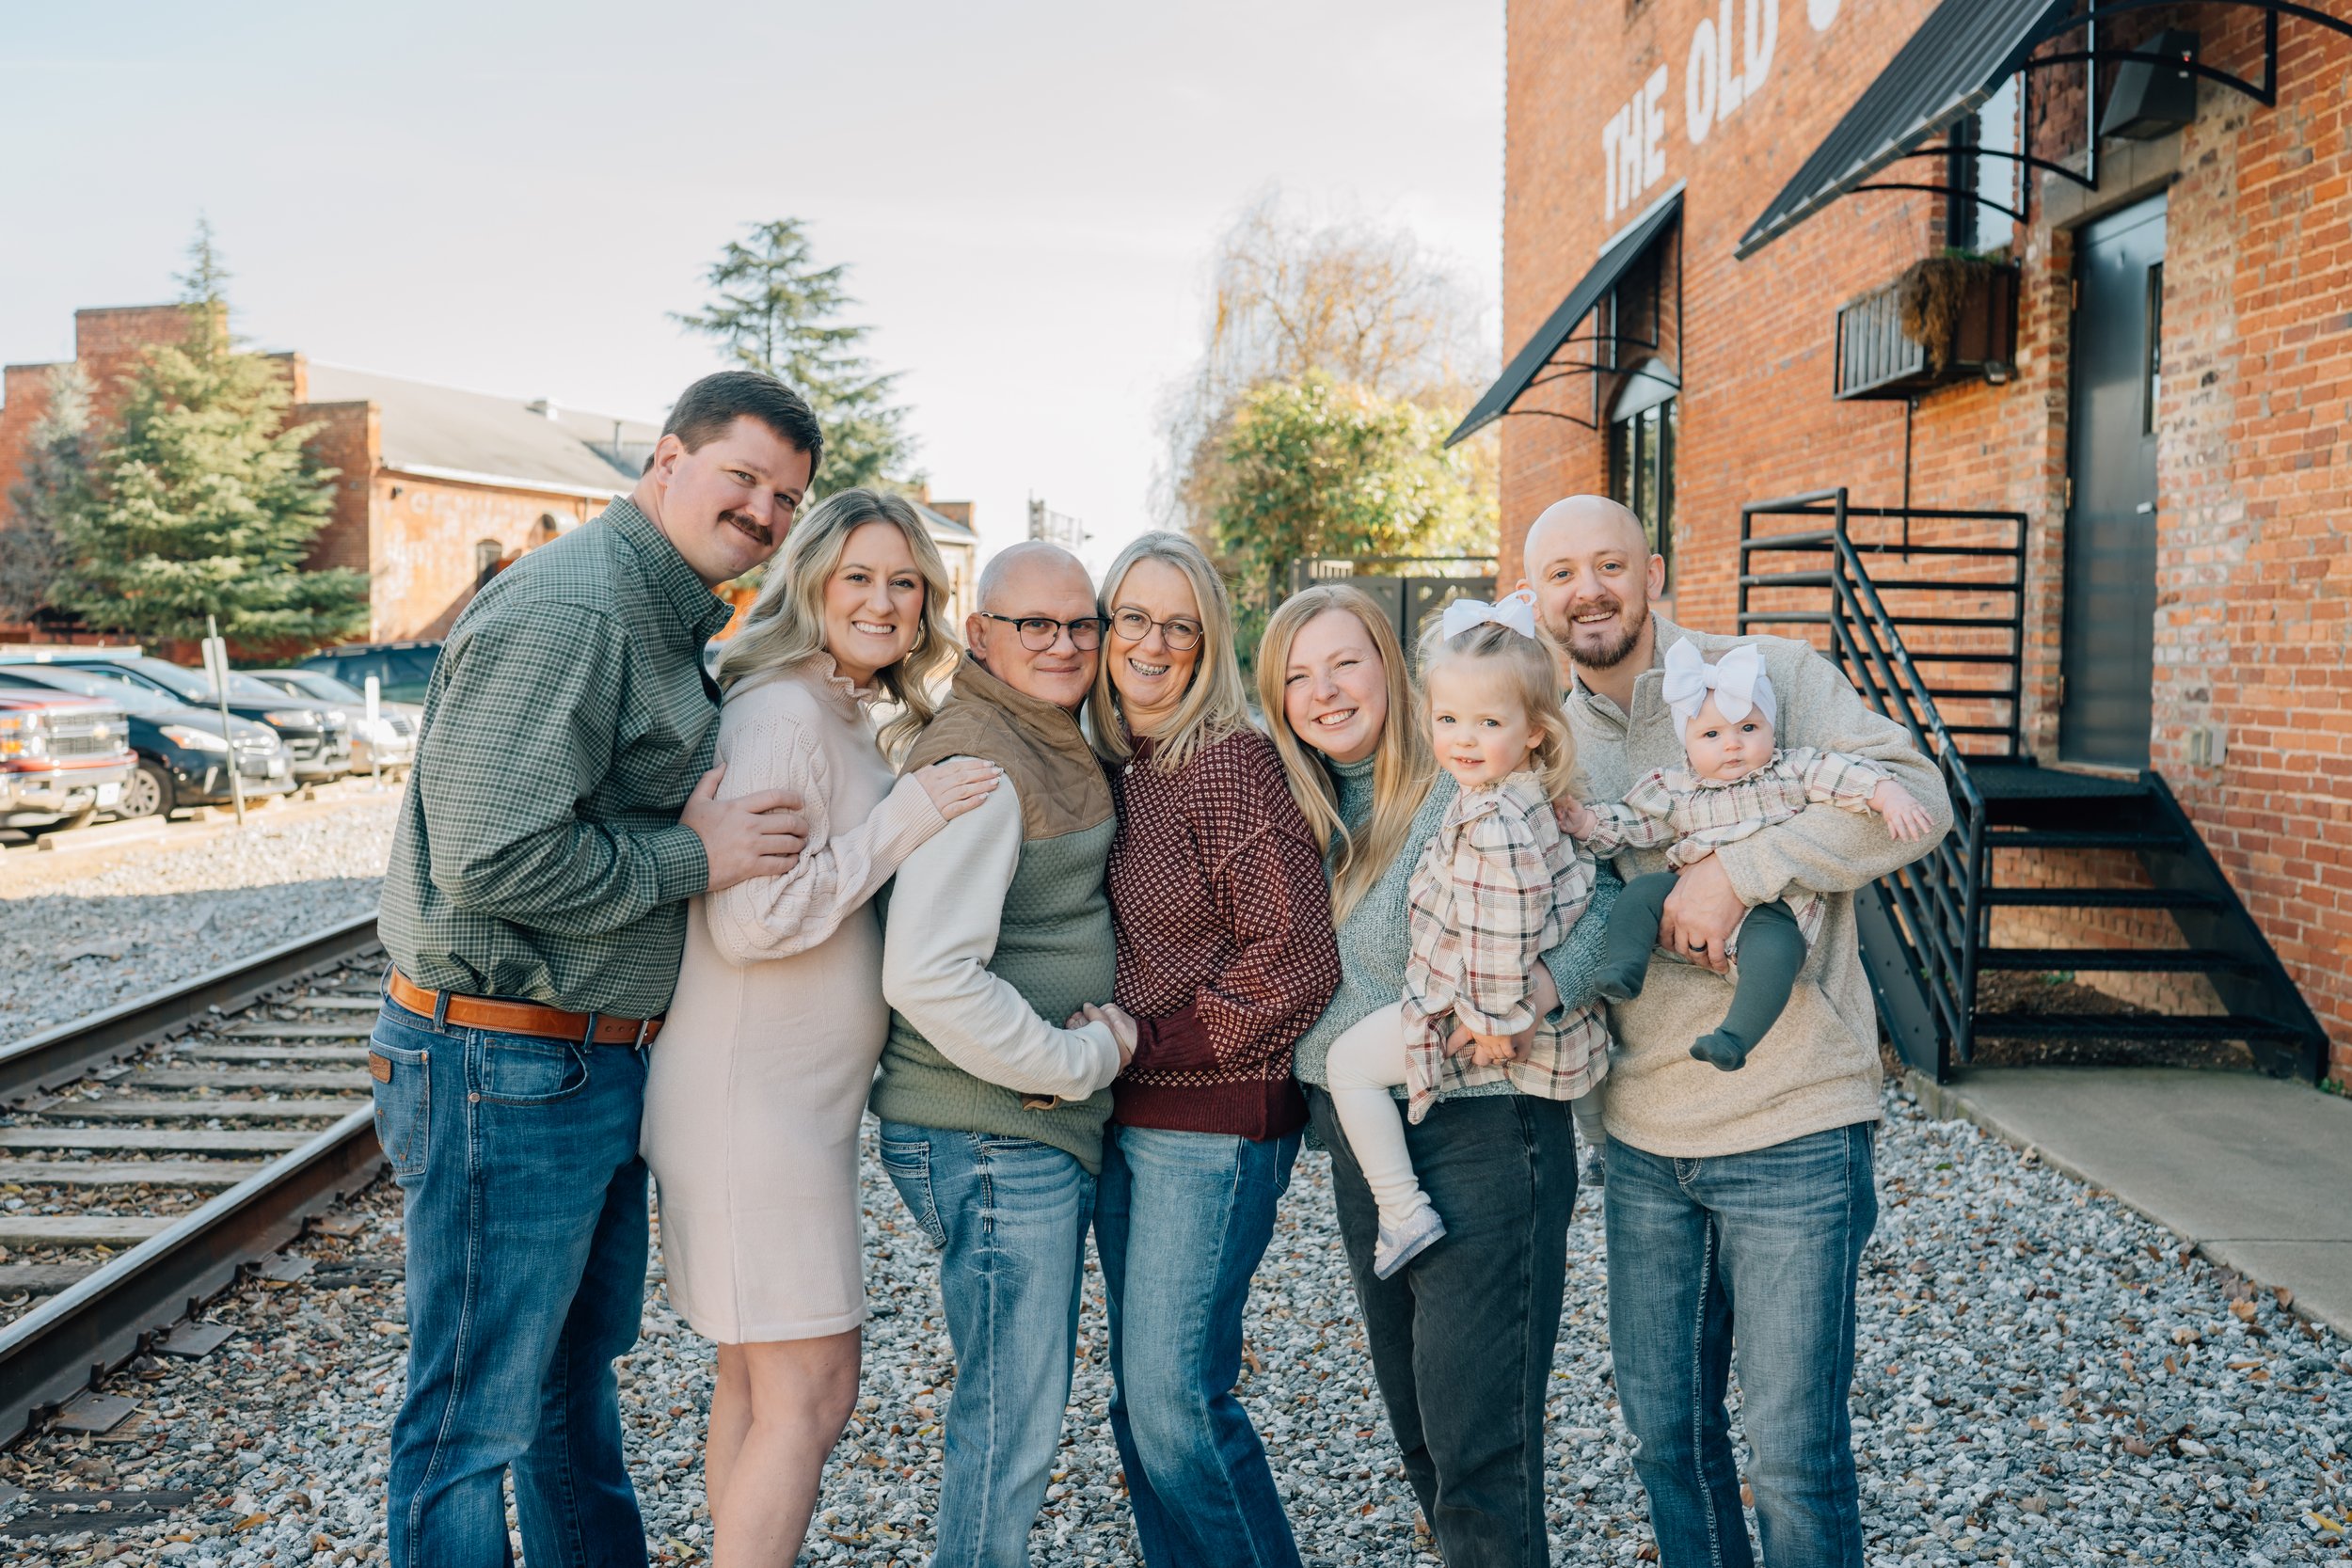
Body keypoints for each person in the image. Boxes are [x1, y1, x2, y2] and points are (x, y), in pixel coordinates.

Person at [373, 371, 820, 1568]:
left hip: (574, 1062)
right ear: (663, 460)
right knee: (469, 1415)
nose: (764, 513)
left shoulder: (663, 605)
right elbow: (487, 854)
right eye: (742, 477)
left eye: (786, 497)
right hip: (500, 1056)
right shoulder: (580, 611)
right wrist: (694, 857)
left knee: (568, 1397)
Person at [1518, 494, 1952, 1568]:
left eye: (1609, 564)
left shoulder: (1769, 674)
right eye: (1561, 572)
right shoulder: (1532, 724)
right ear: (1533, 597)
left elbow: (1912, 792)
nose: (1589, 590)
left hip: (1792, 1121)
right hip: (1638, 1133)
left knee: (1796, 1456)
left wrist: (1737, 871)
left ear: (1653, 571)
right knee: (1669, 1444)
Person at [641, 489, 1002, 1564]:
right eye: (860, 577)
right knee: (812, 1384)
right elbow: (751, 922)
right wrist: (905, 819)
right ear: (810, 583)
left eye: (905, 582)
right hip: (750, 1106)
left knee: (763, 1379)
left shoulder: (841, 708)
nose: (886, 602)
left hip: (788, 1107)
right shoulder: (781, 714)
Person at [1259, 583, 1619, 1567]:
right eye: (1296, 675)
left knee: (1478, 1443)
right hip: (1363, 1134)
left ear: (1392, 670)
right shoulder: (1296, 806)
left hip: (1482, 1129)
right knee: (1418, 1422)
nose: (1323, 691)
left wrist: (1529, 997)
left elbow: (1614, 904)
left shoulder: (1474, 787)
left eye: (1343, 662)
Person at [869, 540, 1138, 1568]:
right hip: (992, 1135)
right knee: (1011, 1423)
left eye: (1082, 622)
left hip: (1009, 1132)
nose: (1065, 644)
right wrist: (1073, 1065)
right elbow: (928, 974)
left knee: (1017, 1412)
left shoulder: (1041, 733)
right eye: (1035, 624)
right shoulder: (980, 762)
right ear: (981, 634)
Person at [1089, 532, 1339, 1568]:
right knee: (1137, 1405)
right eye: (1132, 617)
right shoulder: (1107, 760)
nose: (1152, 643)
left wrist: (1143, 1041)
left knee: (1178, 1402)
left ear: (1208, 643)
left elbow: (1293, 961)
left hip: (1216, 1119)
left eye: (1178, 625)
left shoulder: (1228, 763)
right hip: (1121, 1114)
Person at [1321, 590, 1604, 1280]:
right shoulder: (1519, 794)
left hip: (1465, 1008)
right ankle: (1603, 1142)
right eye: (1448, 719)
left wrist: (1492, 1015)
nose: (1464, 739)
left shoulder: (1490, 817)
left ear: (1535, 728)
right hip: (1483, 1002)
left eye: (1487, 721)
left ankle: (1402, 1208)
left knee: (1347, 1066)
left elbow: (1503, 925)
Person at [1562, 637, 1932, 1070]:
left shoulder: (1792, 771)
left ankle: (1734, 1038)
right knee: (1641, 893)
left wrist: (1887, 795)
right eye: (1712, 735)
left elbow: (1843, 774)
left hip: (1774, 909)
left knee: (1778, 951)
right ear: (1688, 746)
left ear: (1771, 729)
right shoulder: (1682, 790)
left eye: (1748, 728)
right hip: (1687, 892)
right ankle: (1624, 967)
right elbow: (1636, 823)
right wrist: (1587, 823)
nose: (1732, 745)